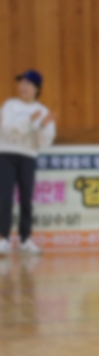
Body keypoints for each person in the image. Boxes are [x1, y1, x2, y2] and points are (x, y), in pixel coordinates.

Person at [0, 70, 56, 255]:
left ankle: (25, 239)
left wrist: (41, 126)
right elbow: (9, 132)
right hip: (6, 155)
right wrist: (30, 122)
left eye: (28, 84)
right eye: (21, 83)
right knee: (4, 198)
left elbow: (43, 142)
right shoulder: (10, 106)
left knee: (26, 199)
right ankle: (3, 239)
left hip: (28, 157)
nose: (23, 87)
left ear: (36, 89)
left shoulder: (43, 111)